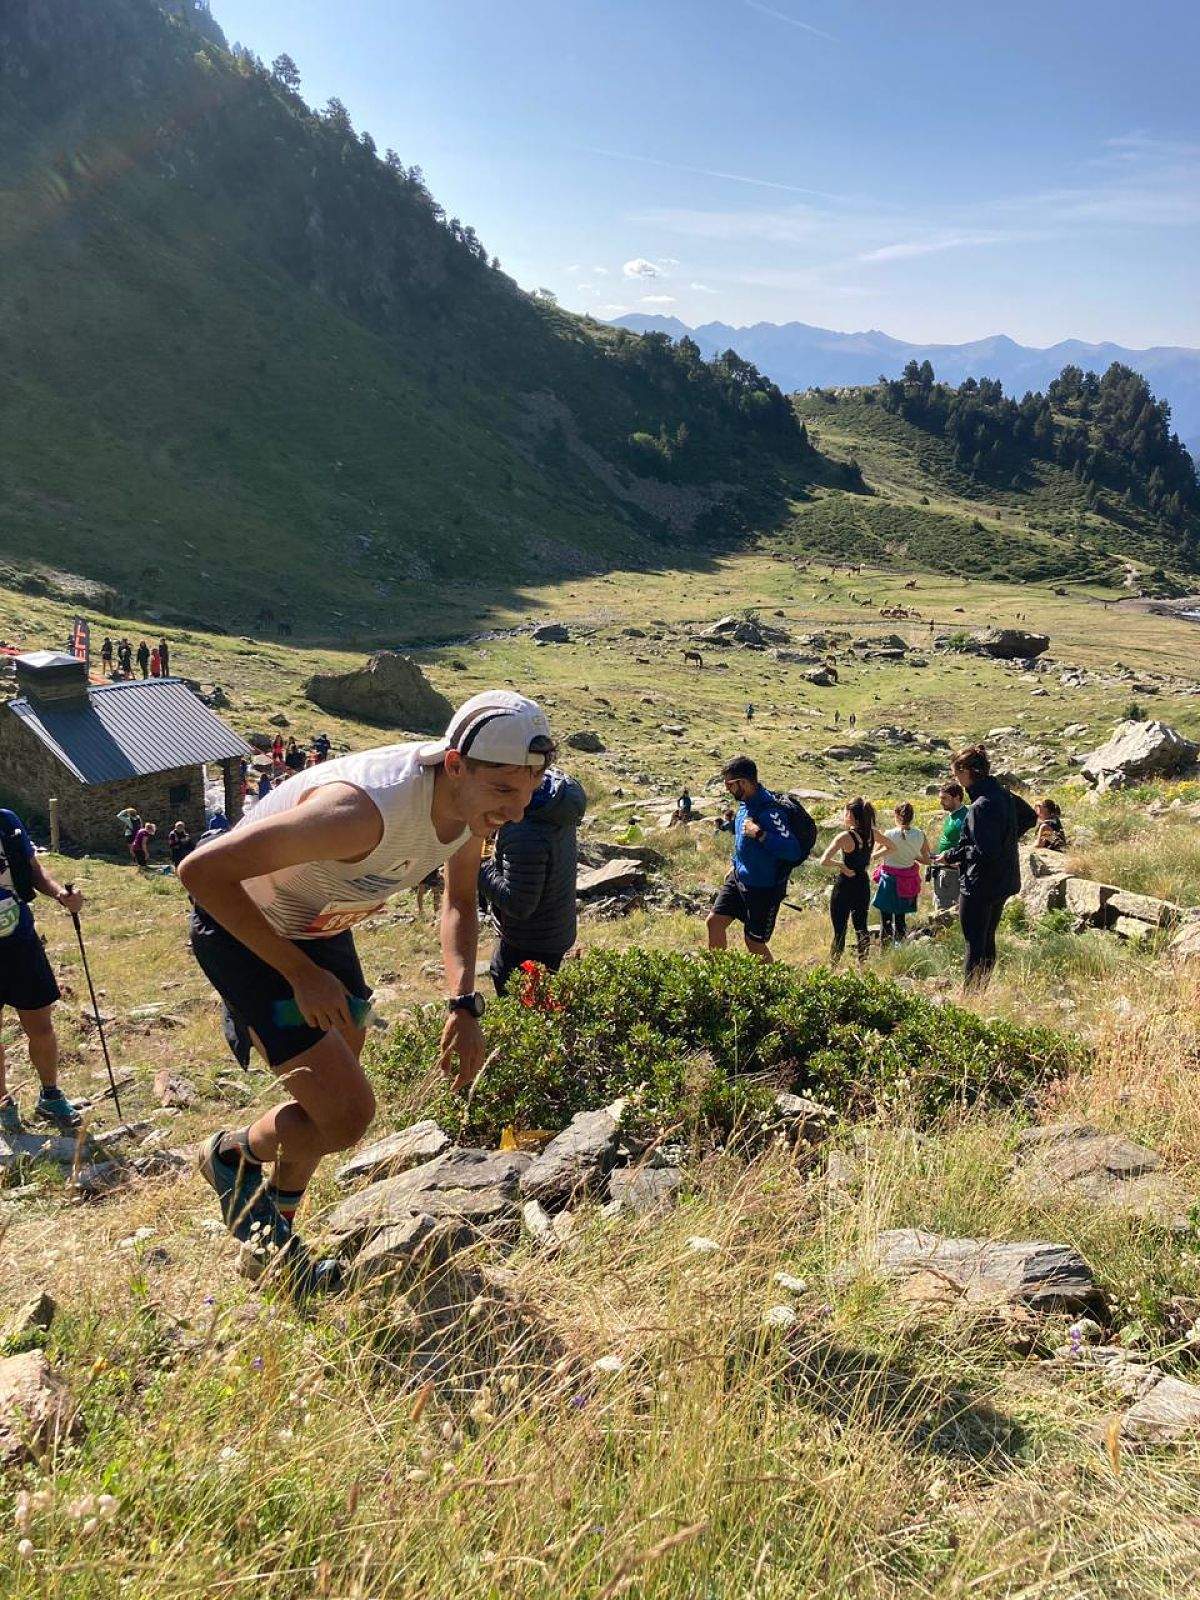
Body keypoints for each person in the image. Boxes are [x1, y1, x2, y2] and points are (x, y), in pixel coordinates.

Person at [179, 689, 554, 1291]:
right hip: (243, 927)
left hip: (320, 923)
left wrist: (462, 1001)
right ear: (454, 764)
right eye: (505, 789)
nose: (518, 809)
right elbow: (201, 872)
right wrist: (300, 974)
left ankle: (270, 1239)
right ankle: (229, 1156)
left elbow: (459, 902)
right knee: (348, 1115)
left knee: (328, 1098)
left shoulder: (468, 809)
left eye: (530, 789)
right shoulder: (361, 812)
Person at [0, 809, 85, 1134]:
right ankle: (4, 1105)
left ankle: (50, 1095)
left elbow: (33, 870)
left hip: (20, 940)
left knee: (41, 1025)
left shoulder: (7, 822)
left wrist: (61, 895)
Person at [479, 766, 587, 994]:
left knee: (521, 1007)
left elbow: (519, 903)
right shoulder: (552, 802)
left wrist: (478, 870)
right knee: (542, 1003)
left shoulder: (524, 830)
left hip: (528, 943)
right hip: (554, 930)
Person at [938, 745, 1038, 989]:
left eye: (956, 773)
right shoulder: (1002, 794)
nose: (956, 780)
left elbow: (983, 850)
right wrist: (1008, 837)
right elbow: (1030, 817)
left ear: (967, 772)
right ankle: (982, 988)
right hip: (1004, 880)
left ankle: (971, 995)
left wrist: (950, 855)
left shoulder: (980, 806)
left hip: (979, 884)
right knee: (988, 937)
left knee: (974, 941)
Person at [706, 756, 803, 963]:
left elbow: (793, 850)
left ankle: (772, 988)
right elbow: (742, 841)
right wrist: (734, 865)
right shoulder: (745, 805)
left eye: (729, 785)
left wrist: (760, 834)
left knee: (754, 943)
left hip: (763, 889)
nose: (727, 790)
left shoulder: (770, 811)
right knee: (714, 922)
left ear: (744, 782)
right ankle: (716, 979)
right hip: (738, 878)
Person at [820, 797, 891, 965]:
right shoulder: (872, 834)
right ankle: (863, 965)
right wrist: (873, 856)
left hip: (845, 885)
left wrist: (841, 866)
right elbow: (891, 847)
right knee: (861, 927)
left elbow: (824, 861)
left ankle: (833, 966)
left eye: (846, 811)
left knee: (840, 930)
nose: (844, 814)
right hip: (862, 884)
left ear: (852, 815)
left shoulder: (844, 836)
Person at [872, 802, 930, 944]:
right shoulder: (920, 834)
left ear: (896, 816)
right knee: (900, 918)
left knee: (885, 919)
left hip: (889, 880)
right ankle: (900, 947)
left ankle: (884, 950)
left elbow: (875, 854)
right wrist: (913, 855)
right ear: (912, 817)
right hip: (907, 880)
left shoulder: (889, 834)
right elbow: (927, 860)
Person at [930, 781, 969, 910]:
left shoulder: (965, 816)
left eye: (944, 798)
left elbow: (970, 845)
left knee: (947, 910)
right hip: (944, 868)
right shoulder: (952, 815)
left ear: (957, 797)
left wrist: (957, 861)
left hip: (954, 872)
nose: (941, 802)